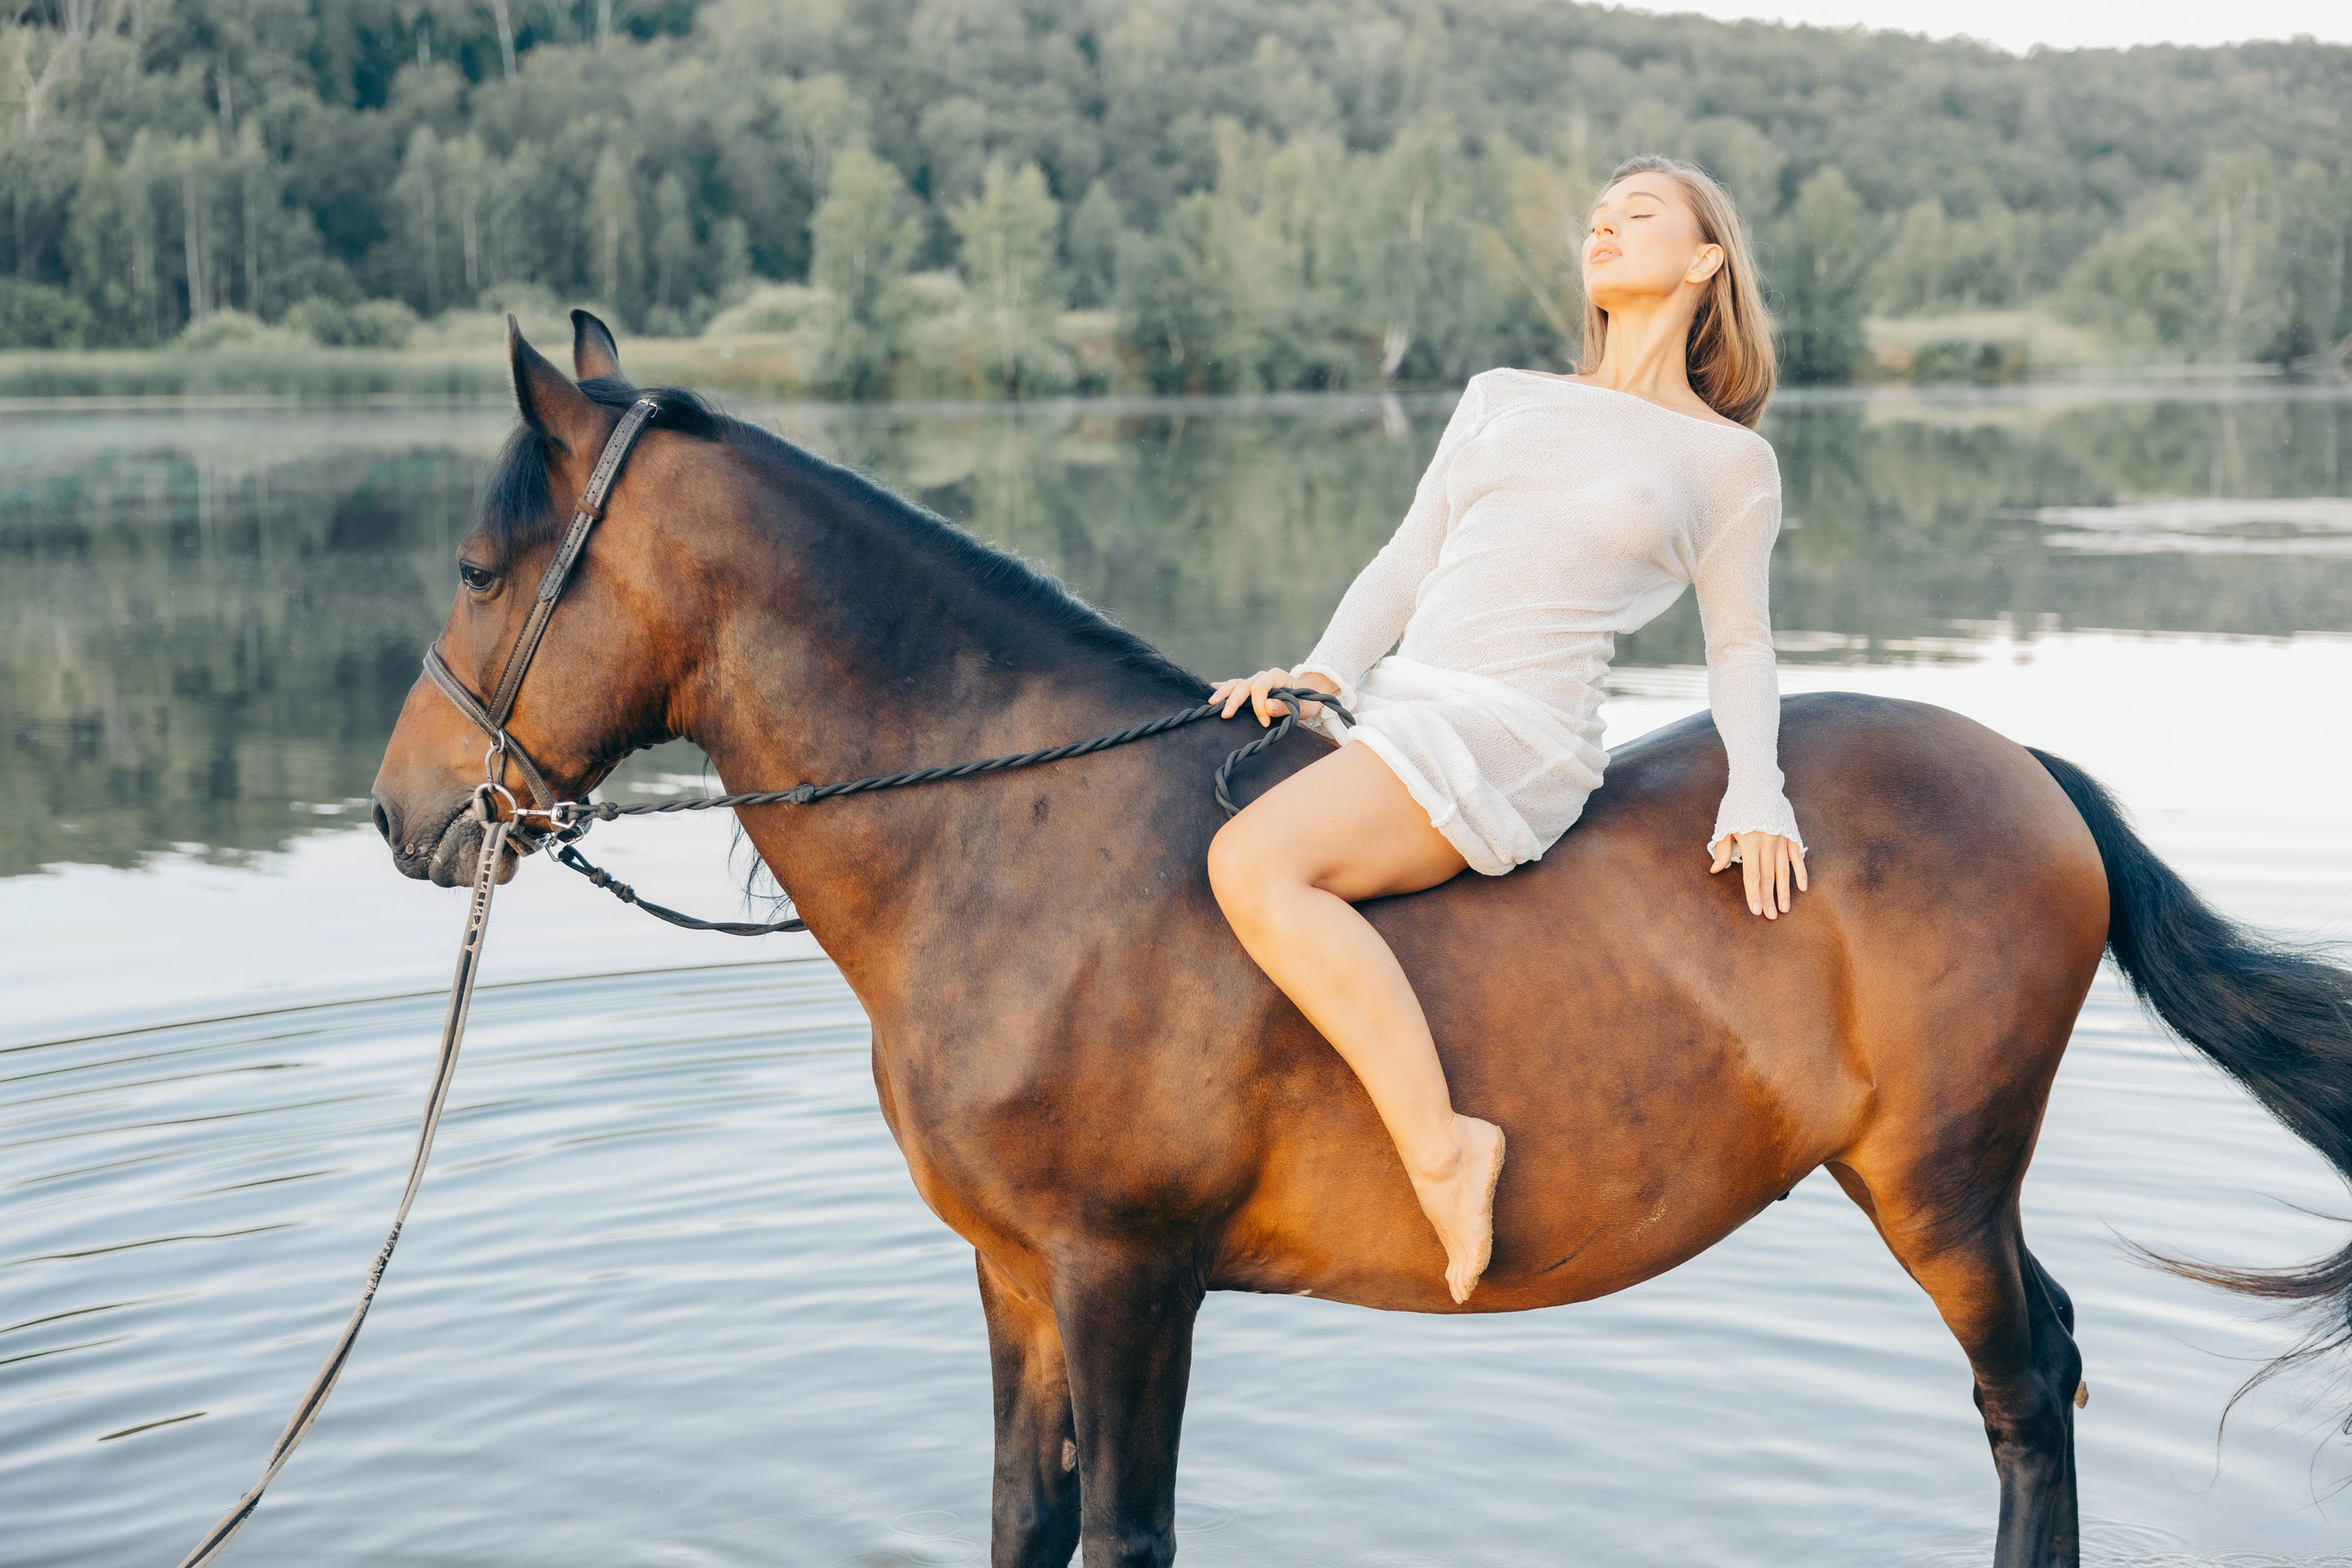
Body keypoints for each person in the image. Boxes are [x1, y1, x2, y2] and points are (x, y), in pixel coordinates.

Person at [1205, 154, 1808, 1305]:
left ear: (1704, 261)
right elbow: (1407, 558)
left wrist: (1756, 789)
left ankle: (1442, 1147)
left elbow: (1739, 644)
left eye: (1639, 214)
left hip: (1517, 730)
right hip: (1402, 700)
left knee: (1255, 862)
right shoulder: (1501, 395)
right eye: (1596, 217)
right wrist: (1324, 673)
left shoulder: (1730, 462)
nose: (1604, 227)